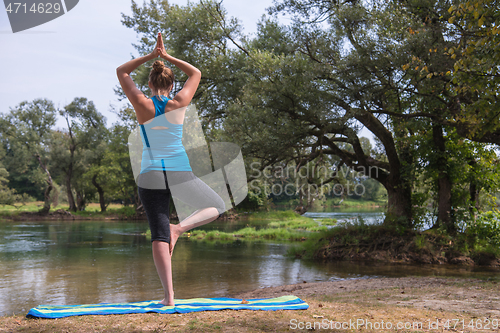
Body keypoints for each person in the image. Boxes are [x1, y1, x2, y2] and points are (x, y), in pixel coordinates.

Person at [117, 32, 225, 306]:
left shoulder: (141, 104)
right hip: (179, 171)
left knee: (159, 235)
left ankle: (169, 297)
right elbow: (196, 73)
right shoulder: (178, 103)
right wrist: (167, 57)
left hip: (150, 174)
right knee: (216, 206)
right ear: (171, 83)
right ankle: (181, 229)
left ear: (150, 83)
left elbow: (121, 71)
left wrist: (151, 56)